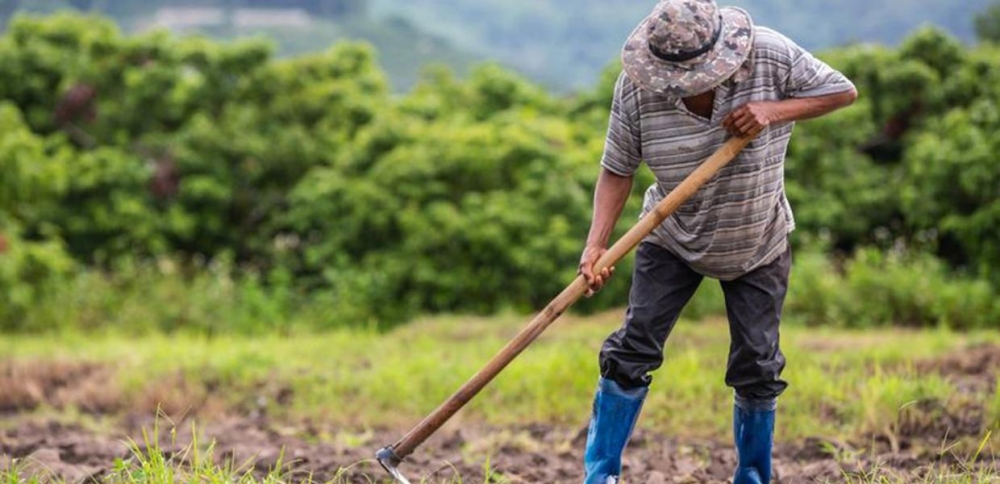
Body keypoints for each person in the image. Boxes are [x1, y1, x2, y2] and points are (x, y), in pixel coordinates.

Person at [577, 1, 857, 483]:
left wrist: (772, 110)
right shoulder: (637, 89)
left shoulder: (768, 54)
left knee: (758, 364)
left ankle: (752, 476)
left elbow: (841, 91)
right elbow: (617, 168)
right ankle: (600, 476)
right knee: (632, 350)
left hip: (757, 238)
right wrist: (595, 246)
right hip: (671, 235)